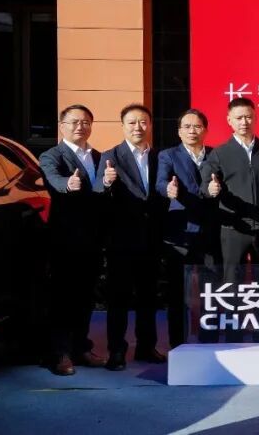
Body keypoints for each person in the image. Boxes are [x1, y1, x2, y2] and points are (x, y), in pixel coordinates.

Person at [95, 104, 166, 370]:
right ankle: (116, 350)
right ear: (123, 126)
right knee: (119, 298)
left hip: (152, 238)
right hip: (122, 241)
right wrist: (106, 182)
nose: (138, 127)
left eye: (143, 122)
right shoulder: (110, 156)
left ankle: (147, 347)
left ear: (150, 125)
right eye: (132, 122)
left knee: (148, 296)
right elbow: (98, 193)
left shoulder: (160, 156)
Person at [200, 97, 259, 342]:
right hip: (233, 228)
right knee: (232, 282)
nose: (244, 122)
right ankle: (234, 334)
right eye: (239, 118)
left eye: (249, 117)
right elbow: (206, 183)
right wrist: (211, 189)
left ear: (255, 118)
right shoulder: (220, 153)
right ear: (229, 121)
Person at [39, 104, 106, 375]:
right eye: (75, 122)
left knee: (86, 296)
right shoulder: (52, 155)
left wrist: (109, 184)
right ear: (62, 126)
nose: (81, 126)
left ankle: (81, 347)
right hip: (65, 240)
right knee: (62, 298)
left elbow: (101, 195)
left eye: (86, 122)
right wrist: (67, 184)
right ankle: (60, 354)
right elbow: (53, 179)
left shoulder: (99, 157)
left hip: (92, 239)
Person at [155, 109, 215, 348]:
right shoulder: (168, 155)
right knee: (178, 292)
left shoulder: (215, 155)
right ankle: (178, 344)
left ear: (205, 130)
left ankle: (209, 340)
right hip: (180, 232)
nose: (192, 131)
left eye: (197, 126)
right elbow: (161, 182)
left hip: (211, 232)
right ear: (179, 132)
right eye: (187, 127)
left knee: (211, 290)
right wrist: (167, 190)